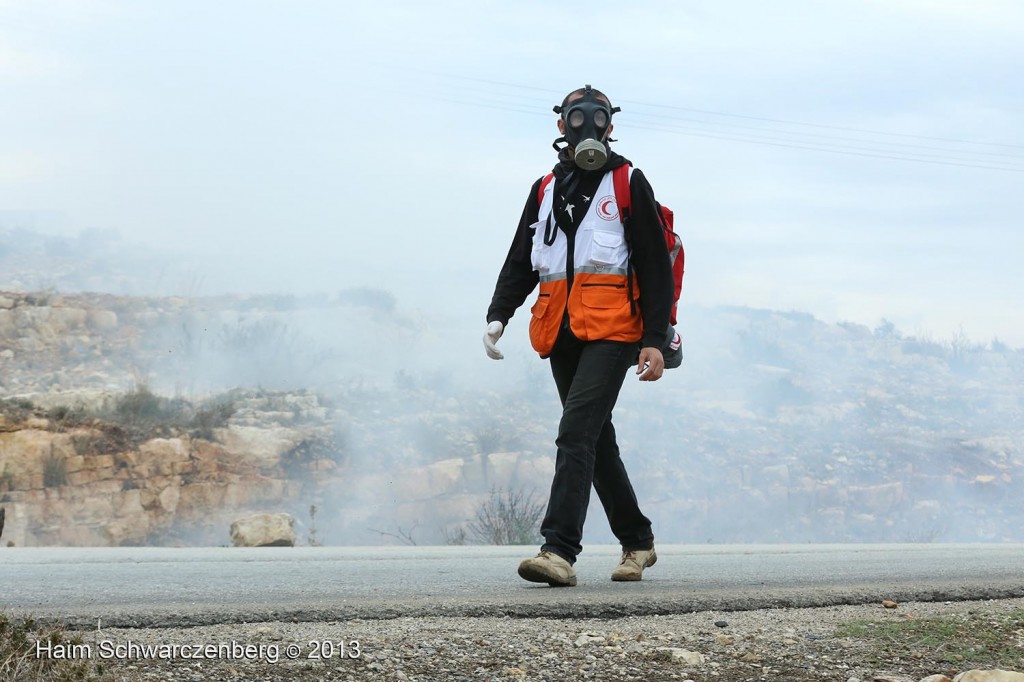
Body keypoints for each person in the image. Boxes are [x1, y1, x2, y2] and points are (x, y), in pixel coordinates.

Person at [483, 85, 674, 587]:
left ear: (610, 125)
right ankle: (638, 541)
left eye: (596, 117)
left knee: (574, 434)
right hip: (559, 328)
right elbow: (521, 258)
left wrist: (655, 337)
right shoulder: (545, 187)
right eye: (575, 116)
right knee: (595, 440)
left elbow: (654, 264)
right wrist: (499, 312)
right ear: (560, 124)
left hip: (614, 330)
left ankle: (558, 550)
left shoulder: (629, 182)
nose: (585, 125)